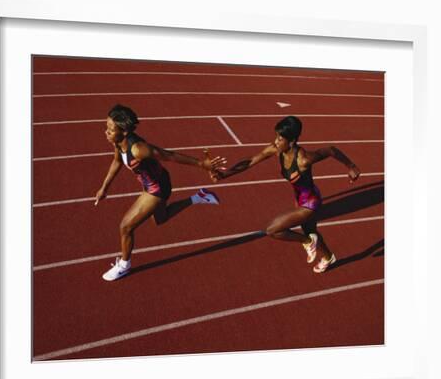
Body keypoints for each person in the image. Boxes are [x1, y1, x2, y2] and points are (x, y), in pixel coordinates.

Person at [211, 115, 360, 273]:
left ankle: (307, 241)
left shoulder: (303, 160)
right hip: (300, 199)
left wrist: (351, 167)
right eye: (276, 136)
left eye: (280, 139)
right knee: (311, 230)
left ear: (292, 140)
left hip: (310, 204)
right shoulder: (276, 149)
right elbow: (251, 161)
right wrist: (225, 174)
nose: (276, 141)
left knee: (272, 230)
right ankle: (327, 257)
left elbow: (330, 150)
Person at [95, 104, 226, 281]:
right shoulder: (119, 143)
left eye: (110, 129)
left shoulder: (139, 149)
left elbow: (169, 155)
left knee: (125, 227)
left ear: (124, 131)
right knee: (161, 219)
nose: (106, 132)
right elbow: (117, 161)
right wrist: (104, 188)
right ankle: (198, 197)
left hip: (157, 188)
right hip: (151, 183)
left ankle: (124, 265)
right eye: (107, 128)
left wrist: (202, 164)